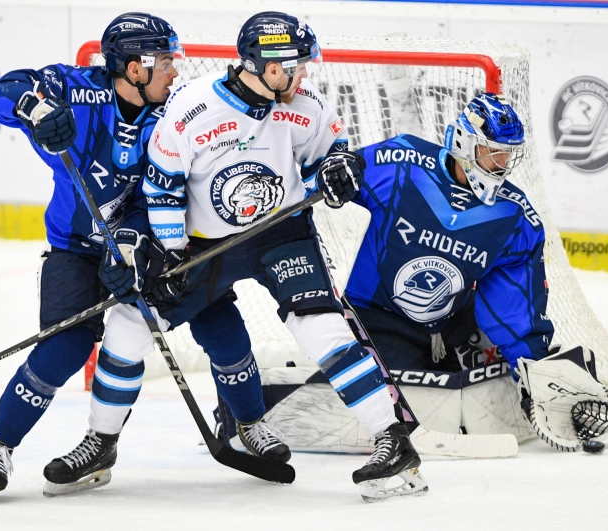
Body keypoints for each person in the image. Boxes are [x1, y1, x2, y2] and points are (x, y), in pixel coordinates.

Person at [45, 11, 427, 503]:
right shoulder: (192, 107)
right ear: (272, 67)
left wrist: (338, 170)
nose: (305, 74)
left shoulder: (307, 107)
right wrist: (170, 251)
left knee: (322, 328)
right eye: (298, 66)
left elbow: (329, 158)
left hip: (282, 234)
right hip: (203, 245)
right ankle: (101, 442)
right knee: (127, 324)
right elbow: (163, 188)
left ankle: (392, 441)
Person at [227, 92, 608, 455]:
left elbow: (512, 306)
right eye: (492, 153)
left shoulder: (514, 217)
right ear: (465, 143)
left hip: (453, 326)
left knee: (480, 381)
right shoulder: (403, 162)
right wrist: (334, 170)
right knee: (409, 397)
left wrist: (531, 369)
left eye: (507, 156)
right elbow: (330, 180)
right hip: (380, 319)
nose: (501, 165)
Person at [0, 12, 194, 504]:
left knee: (167, 330)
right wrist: (35, 109)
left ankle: (105, 444)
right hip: (73, 248)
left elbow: (166, 193)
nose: (174, 71)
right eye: (165, 61)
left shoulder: (174, 115)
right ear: (134, 67)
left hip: (141, 247)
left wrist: (132, 240)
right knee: (65, 348)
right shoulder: (74, 89)